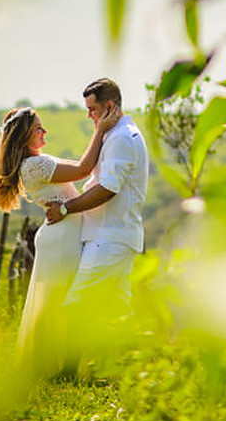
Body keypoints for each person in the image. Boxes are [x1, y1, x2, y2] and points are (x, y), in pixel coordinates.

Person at [0, 103, 120, 373]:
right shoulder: (35, 165)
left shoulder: (38, 161)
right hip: (61, 237)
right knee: (61, 300)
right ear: (25, 136)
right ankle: (56, 368)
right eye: (38, 127)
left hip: (64, 232)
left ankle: (62, 367)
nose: (44, 131)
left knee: (63, 297)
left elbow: (86, 167)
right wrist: (101, 130)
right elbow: (84, 169)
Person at [45, 78, 149, 357]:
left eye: (92, 109)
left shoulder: (122, 139)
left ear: (109, 106)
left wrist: (66, 208)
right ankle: (135, 370)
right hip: (111, 235)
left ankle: (67, 376)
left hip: (110, 237)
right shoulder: (114, 135)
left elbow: (108, 189)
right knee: (118, 311)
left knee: (77, 305)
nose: (89, 115)